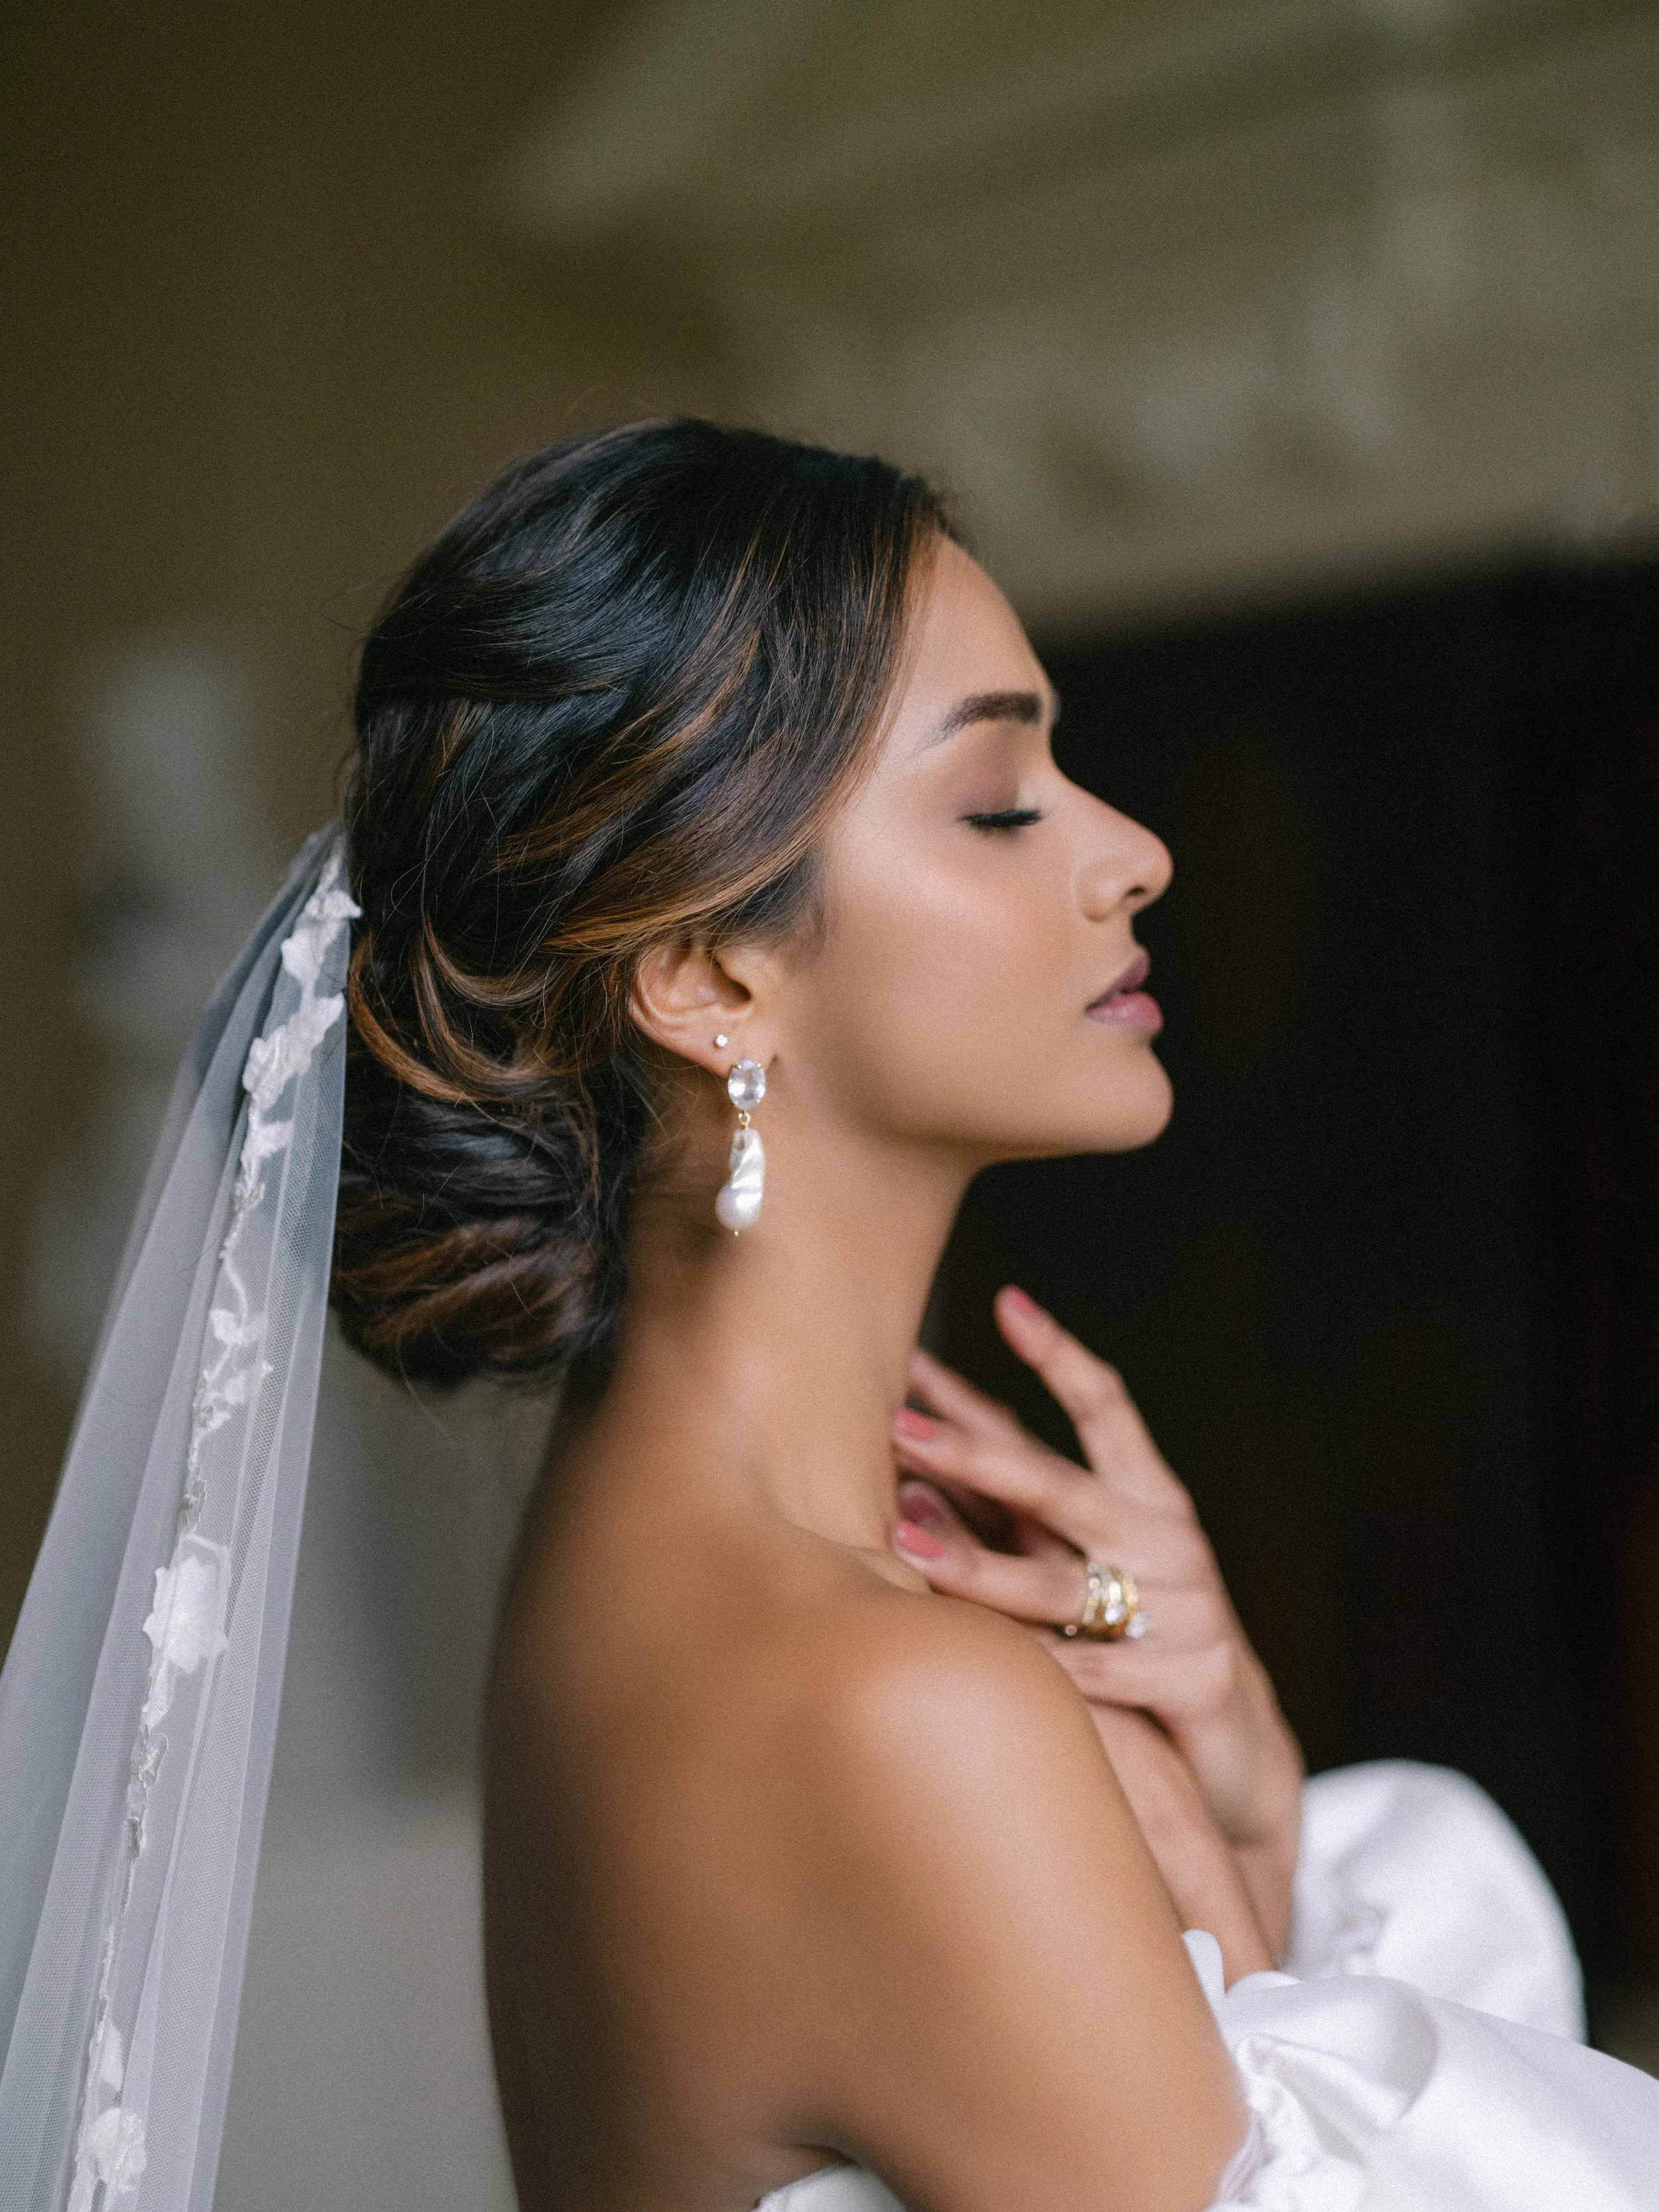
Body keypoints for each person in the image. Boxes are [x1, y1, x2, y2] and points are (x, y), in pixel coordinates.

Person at [2, 421, 1656, 2212]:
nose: (1135, 851)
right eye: (1001, 802)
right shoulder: (888, 1701)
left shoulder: (650, 1566)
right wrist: (1204, 1829)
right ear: (710, 975)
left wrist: (1235, 1771)